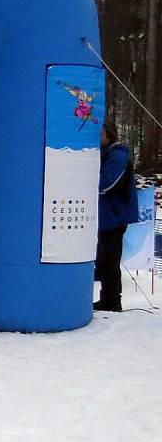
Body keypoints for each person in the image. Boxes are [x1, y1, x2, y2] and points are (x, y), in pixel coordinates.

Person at [94, 121, 138, 312]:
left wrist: (85, 179)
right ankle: (107, 298)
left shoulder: (117, 156)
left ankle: (112, 301)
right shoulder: (107, 155)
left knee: (111, 260)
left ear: (109, 135)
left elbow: (107, 184)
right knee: (104, 259)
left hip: (115, 216)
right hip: (107, 216)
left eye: (101, 135)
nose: (98, 139)